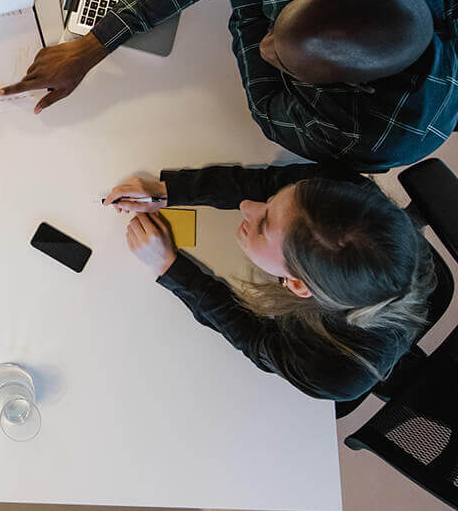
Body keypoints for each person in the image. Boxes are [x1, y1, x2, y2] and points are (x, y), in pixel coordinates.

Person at [0, 0, 458, 171]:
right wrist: (92, 45)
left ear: (353, 85)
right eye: (282, 23)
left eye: (285, 62)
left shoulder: (375, 133)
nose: (265, 48)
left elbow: (267, 110)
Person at [102, 162, 438, 402]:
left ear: (298, 285)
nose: (247, 207)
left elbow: (253, 338)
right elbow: (268, 182)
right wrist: (170, 191)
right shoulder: (346, 193)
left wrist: (170, 267)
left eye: (263, 225)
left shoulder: (334, 371)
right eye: (274, 203)